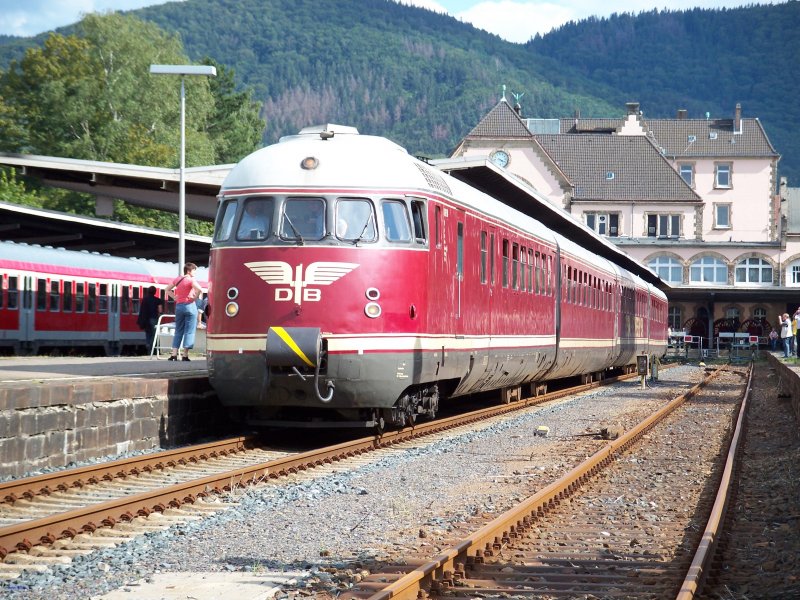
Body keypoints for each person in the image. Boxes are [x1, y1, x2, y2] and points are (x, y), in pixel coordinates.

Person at [168, 262, 203, 361]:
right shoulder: (190, 280)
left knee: (178, 330)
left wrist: (174, 297)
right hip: (189, 306)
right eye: (194, 270)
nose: (195, 273)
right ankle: (185, 355)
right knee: (189, 331)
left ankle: (174, 354)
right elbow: (200, 289)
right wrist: (194, 298)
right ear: (189, 271)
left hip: (179, 307)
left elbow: (167, 289)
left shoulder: (178, 279)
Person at [138, 286, 164, 355]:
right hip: (154, 319)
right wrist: (160, 316)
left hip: (145, 319)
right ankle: (152, 347)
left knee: (148, 333)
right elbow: (160, 310)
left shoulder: (144, 299)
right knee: (154, 334)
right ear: (155, 292)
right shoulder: (158, 300)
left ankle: (148, 344)